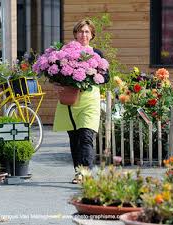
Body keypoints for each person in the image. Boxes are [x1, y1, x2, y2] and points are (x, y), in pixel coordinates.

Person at [53, 19, 109, 184]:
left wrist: (94, 74)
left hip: (90, 100)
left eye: (87, 32)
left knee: (86, 136)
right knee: (75, 138)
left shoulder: (97, 54)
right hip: (70, 99)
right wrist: (56, 84)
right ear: (76, 34)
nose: (83, 35)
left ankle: (86, 174)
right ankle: (79, 172)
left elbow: (107, 77)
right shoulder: (65, 52)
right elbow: (55, 73)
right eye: (80, 31)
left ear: (92, 35)